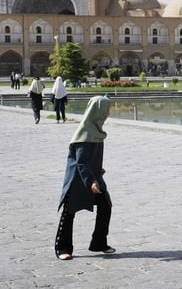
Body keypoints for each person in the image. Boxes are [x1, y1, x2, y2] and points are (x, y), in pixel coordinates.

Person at [54, 96, 115, 261]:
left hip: (92, 176)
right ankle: (63, 248)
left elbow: (90, 158)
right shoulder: (85, 132)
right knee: (69, 212)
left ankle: (99, 243)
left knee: (105, 206)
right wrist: (91, 181)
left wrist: (98, 170)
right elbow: (80, 162)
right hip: (77, 179)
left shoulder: (96, 130)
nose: (109, 113)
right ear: (98, 110)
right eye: (107, 109)